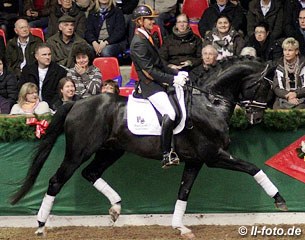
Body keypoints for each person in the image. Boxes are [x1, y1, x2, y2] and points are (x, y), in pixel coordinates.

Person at [130, 5, 188, 168]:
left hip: (158, 80)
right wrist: (172, 80)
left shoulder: (148, 36)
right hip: (150, 85)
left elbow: (160, 63)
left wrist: (177, 73)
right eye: (149, 19)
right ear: (140, 21)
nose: (152, 21)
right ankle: (166, 154)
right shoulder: (138, 43)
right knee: (169, 113)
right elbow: (149, 71)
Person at [272, 37, 305, 110]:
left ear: (296, 51)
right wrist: (288, 95)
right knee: (276, 108)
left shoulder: (303, 65)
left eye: (290, 50)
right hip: (284, 96)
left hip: (301, 96)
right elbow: (276, 87)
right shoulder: (280, 65)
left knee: (299, 110)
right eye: (285, 50)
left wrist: (295, 94)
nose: (287, 53)